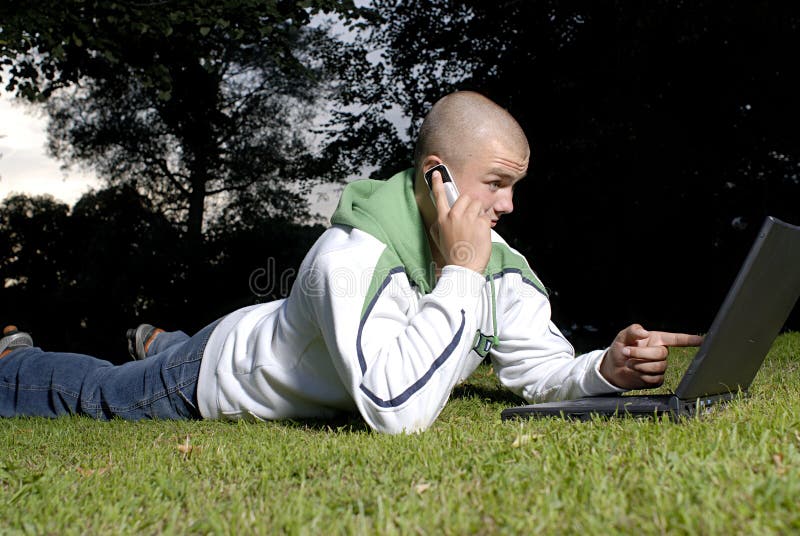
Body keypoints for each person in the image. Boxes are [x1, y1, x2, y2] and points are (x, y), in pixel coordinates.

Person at [0, 90, 703, 433]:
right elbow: (394, 411)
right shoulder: (353, 256)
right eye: (496, 184)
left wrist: (601, 370)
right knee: (102, 393)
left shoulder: (499, 265)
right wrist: (458, 272)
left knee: (223, 344)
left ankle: (164, 338)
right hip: (219, 375)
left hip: (284, 341)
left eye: (517, 186)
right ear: (438, 178)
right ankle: (17, 359)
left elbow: (538, 369)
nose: (510, 207)